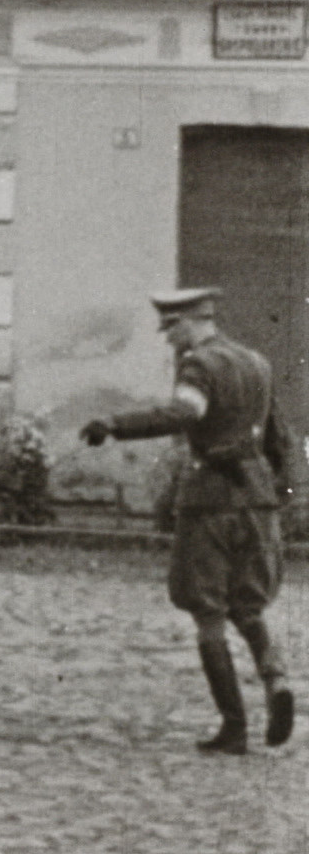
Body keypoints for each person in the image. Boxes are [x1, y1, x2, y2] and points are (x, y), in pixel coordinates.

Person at [80, 287, 295, 754]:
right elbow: (278, 437)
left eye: (171, 328)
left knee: (207, 609)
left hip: (210, 500)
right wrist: (273, 491)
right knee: (249, 606)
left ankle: (234, 727)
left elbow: (184, 413)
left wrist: (114, 424)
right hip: (257, 500)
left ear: (192, 322)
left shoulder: (199, 365)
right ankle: (277, 681)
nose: (168, 339)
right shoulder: (257, 362)